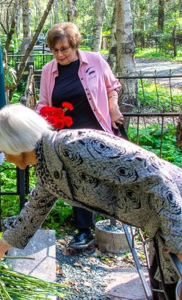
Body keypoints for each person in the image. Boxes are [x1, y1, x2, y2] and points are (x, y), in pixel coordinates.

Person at [0, 104, 182, 300]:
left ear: (15, 143)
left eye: (3, 150)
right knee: (164, 289)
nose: (6, 158)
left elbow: (157, 178)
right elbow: (35, 209)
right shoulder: (47, 166)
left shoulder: (77, 145)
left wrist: (180, 246)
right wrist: (1, 246)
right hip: (162, 224)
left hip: (175, 213)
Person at [35, 22, 124, 249]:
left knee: (104, 178)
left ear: (75, 45)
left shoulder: (94, 60)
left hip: (98, 131)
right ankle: (84, 232)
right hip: (69, 137)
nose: (60, 54)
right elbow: (44, 103)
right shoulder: (48, 71)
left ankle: (119, 222)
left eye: (64, 48)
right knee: (77, 182)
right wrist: (43, 119)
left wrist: (113, 107)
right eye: (55, 50)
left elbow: (112, 87)